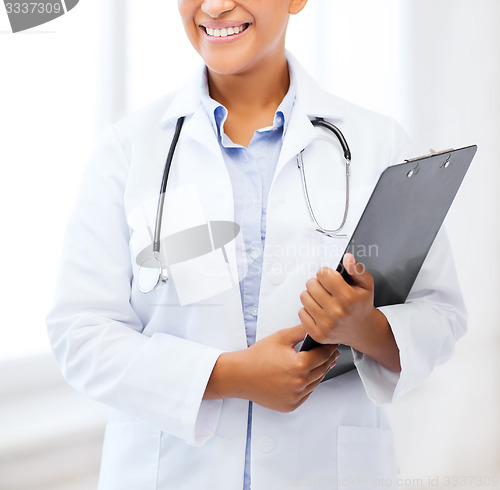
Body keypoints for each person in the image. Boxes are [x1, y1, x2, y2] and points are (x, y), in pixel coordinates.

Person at [46, 1, 467, 489]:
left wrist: (364, 326)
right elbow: (80, 334)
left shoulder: (377, 144)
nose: (217, 5)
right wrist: (227, 375)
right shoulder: (128, 151)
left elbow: (441, 315)